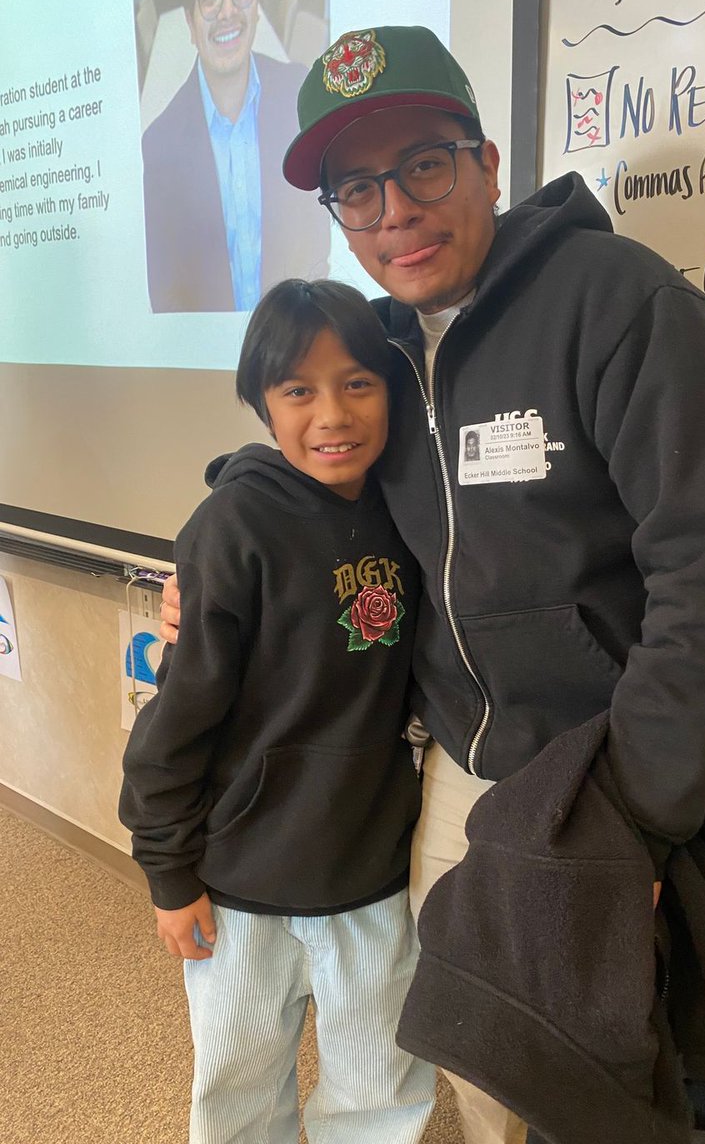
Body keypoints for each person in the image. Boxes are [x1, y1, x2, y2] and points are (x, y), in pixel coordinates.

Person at [162, 25, 705, 1143]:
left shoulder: (622, 307)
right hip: (458, 776)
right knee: (492, 1078)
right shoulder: (386, 346)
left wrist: (636, 819)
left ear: (488, 164)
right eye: (357, 190)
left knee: (624, 1097)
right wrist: (221, 518)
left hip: (606, 779)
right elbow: (319, 456)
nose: (394, 210)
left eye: (424, 166)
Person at [120, 278, 435, 1144]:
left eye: (358, 383)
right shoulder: (232, 527)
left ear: (392, 388)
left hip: (372, 873)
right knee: (239, 1086)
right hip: (240, 883)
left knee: (381, 1083)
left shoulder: (413, 509)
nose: (332, 413)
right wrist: (169, 871)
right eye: (299, 389)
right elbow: (179, 717)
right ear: (263, 402)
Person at [141, 0, 328, 312]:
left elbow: (317, 252)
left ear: (256, 0)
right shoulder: (159, 147)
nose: (228, 10)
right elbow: (168, 301)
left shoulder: (299, 99)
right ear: (191, 23)